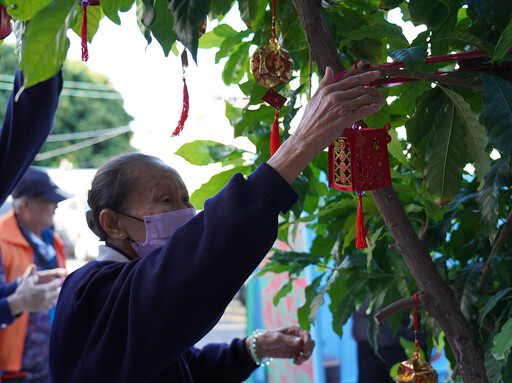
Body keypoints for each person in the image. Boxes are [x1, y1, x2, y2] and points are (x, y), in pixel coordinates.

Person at [49, 67, 386, 382]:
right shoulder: (91, 292)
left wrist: (254, 348)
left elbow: (182, 368)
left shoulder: (128, 302)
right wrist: (301, 143)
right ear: (113, 224)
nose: (185, 213)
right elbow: (200, 260)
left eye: (186, 199)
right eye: (166, 200)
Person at [0, 168, 68, 383]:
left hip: (49, 360)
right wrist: (18, 302)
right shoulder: (1, 239)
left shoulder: (52, 238)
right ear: (26, 205)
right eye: (49, 200)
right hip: (14, 371)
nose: (55, 206)